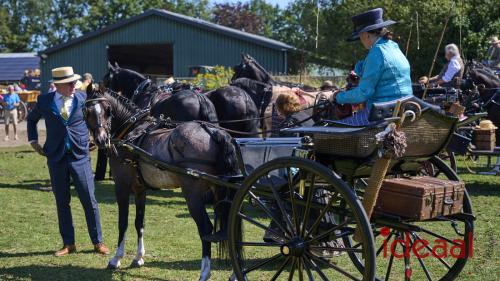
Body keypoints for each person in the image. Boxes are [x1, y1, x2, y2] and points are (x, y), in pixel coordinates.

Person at [27, 66, 109, 257]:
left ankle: (98, 242)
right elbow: (31, 120)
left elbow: (95, 118)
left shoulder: (83, 98)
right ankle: (68, 244)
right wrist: (33, 140)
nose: (74, 85)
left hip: (80, 156)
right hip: (55, 157)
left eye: (74, 82)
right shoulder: (44, 101)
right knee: (62, 202)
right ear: (58, 85)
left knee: (89, 200)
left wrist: (94, 136)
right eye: (70, 83)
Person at [333, 8, 412, 126]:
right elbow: (378, 68)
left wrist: (337, 97)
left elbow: (362, 94)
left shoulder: (376, 53)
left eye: (360, 36)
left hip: (383, 114)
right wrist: (359, 67)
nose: (360, 40)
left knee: (335, 127)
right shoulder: (392, 46)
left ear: (366, 35)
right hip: (405, 108)